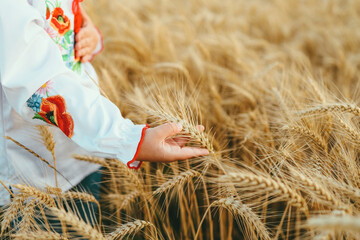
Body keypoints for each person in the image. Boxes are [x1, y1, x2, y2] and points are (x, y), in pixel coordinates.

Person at [0, 0, 209, 211]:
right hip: (31, 177)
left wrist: (90, 35)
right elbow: (37, 84)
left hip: (88, 150)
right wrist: (128, 138)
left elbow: (64, 22)